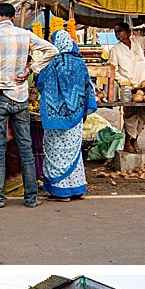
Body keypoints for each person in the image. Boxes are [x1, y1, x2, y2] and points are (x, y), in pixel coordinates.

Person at [0, 3, 57, 208]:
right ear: (13, 17)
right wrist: (30, 70)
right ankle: (31, 198)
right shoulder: (24, 35)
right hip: (20, 97)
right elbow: (52, 50)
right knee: (26, 149)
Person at [37, 30, 97, 201]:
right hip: (76, 117)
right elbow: (88, 88)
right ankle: (77, 189)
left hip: (55, 119)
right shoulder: (80, 64)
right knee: (73, 153)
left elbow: (41, 83)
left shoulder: (51, 64)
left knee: (56, 152)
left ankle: (61, 192)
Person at [108, 20, 145, 153]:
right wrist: (125, 82)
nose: (118, 34)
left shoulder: (138, 42)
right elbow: (114, 71)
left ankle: (135, 139)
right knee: (130, 115)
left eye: (120, 31)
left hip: (144, 85)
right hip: (128, 87)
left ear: (128, 32)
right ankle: (128, 141)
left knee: (143, 114)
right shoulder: (115, 50)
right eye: (116, 32)